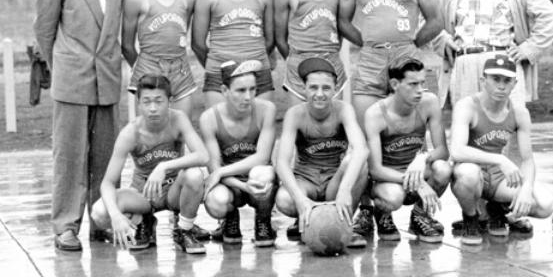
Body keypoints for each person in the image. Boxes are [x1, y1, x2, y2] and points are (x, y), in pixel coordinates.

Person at [434, 0, 553, 233]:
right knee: (473, 133)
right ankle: (474, 211)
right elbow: (426, 24)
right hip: (465, 62)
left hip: (504, 62)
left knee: (511, 135)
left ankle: (509, 208)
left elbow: (549, 16)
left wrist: (530, 47)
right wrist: (441, 39)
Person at [337, 0, 442, 237]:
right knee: (366, 142)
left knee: (409, 131)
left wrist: (410, 43)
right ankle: (370, 210)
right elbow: (343, 21)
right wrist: (367, 42)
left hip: (405, 58)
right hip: (369, 63)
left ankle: (418, 213)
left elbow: (436, 20)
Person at [34, 0, 128, 251]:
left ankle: (101, 219)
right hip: (72, 81)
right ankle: (65, 226)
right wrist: (64, 66)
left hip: (107, 78)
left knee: (105, 156)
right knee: (70, 157)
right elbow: (44, 28)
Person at [90, 75, 210, 253]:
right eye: (146, 102)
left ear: (169, 101)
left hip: (173, 190)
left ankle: (184, 231)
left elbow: (203, 156)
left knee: (194, 175)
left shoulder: (178, 119)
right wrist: (116, 216)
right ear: (138, 103)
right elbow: (107, 182)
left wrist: (164, 167)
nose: (152, 108)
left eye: (158, 101)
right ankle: (143, 220)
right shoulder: (130, 133)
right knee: (100, 212)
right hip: (143, 194)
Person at [450, 54, 553, 245]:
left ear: (514, 83)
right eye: (495, 79)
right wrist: (501, 160)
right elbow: (457, 151)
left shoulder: (519, 113)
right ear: (483, 80)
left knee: (545, 205)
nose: (501, 86)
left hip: (497, 179)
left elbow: (527, 160)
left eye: (507, 80)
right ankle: (471, 218)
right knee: (468, 173)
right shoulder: (467, 106)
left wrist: (526, 188)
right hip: (471, 172)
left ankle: (498, 208)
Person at [275, 57, 369, 245]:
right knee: (285, 199)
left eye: (326, 88)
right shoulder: (295, 114)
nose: (320, 94)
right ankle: (306, 216)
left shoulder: (343, 110)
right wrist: (300, 199)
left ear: (335, 89)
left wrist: (344, 190)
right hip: (307, 180)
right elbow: (282, 163)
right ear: (304, 89)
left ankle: (345, 222)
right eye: (313, 87)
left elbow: (361, 149)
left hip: (333, 182)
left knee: (357, 163)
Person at [361, 57, 451, 243]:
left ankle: (419, 216)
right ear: (395, 84)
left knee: (443, 168)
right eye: (413, 84)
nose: (420, 90)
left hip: (418, 170)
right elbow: (375, 169)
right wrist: (417, 183)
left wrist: (422, 158)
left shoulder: (429, 102)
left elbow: (442, 150)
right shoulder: (375, 114)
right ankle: (382, 213)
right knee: (393, 197)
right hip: (389, 179)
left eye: (422, 83)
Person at [192, 0, 275, 108]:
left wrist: (252, 60)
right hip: (219, 72)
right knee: (220, 129)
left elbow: (270, 40)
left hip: (258, 72)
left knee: (259, 129)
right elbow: (198, 44)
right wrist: (219, 64)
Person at [200, 60, 278, 246]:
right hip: (230, 184)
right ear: (225, 91)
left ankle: (263, 219)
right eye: (241, 90)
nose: (248, 97)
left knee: (263, 173)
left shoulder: (267, 109)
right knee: (216, 201)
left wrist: (221, 172)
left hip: (258, 181)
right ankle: (230, 218)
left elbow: (262, 157)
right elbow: (214, 170)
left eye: (253, 89)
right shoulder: (209, 119)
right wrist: (240, 185)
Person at [122, 0, 197, 118]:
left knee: (180, 131)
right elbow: (127, 46)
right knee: (148, 136)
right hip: (150, 70)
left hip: (180, 71)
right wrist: (144, 69)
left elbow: (180, 32)